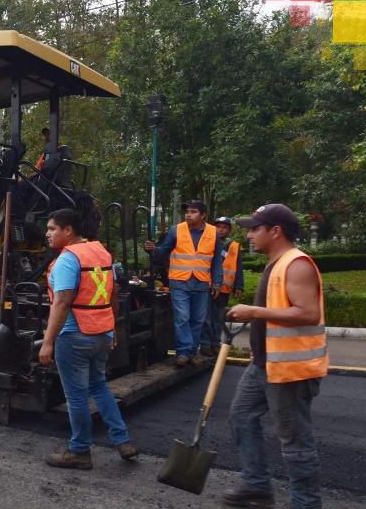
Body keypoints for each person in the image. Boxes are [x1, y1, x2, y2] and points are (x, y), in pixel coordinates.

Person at [222, 204, 329, 509]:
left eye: (255, 229)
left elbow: (307, 312)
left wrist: (254, 312)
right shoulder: (277, 263)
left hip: (290, 369)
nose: (249, 235)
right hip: (265, 363)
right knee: (241, 416)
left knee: (294, 437)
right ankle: (256, 484)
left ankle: (307, 506)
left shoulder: (296, 265)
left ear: (275, 231)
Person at [38, 205, 138, 469]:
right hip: (101, 333)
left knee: (77, 396)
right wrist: (112, 328)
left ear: (68, 231)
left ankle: (80, 450)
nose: (47, 234)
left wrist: (48, 341)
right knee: (99, 387)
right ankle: (122, 441)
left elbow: (62, 302)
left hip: (74, 335)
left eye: (52, 229)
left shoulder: (67, 259)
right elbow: (113, 293)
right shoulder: (101, 251)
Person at [145, 200, 224, 367]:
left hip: (201, 282)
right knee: (182, 318)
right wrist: (152, 250)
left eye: (193, 212)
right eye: (187, 212)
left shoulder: (213, 233)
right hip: (179, 281)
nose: (188, 215)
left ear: (203, 215)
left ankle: (192, 352)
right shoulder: (176, 230)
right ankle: (183, 352)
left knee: (198, 320)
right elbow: (162, 252)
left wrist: (217, 283)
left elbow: (217, 261)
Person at [200, 216, 244, 355]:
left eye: (224, 227)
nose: (220, 230)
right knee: (206, 317)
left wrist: (238, 286)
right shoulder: (207, 242)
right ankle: (205, 344)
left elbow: (238, 266)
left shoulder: (234, 246)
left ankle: (215, 343)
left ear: (229, 230)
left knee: (218, 318)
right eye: (218, 227)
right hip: (207, 286)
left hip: (223, 289)